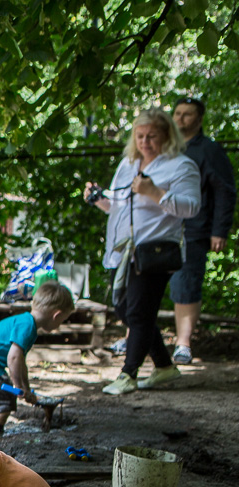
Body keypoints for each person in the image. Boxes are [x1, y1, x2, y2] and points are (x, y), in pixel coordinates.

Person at [86, 107, 200, 396]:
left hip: (154, 252)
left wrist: (155, 192)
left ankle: (128, 374)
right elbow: (118, 205)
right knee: (127, 311)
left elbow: (191, 207)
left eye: (152, 136)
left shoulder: (181, 166)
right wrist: (98, 199)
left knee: (138, 313)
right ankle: (163, 366)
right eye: (140, 136)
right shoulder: (127, 164)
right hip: (121, 253)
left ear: (167, 136)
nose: (145, 142)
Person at [0, 281, 76, 436]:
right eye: (62, 320)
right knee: (4, 404)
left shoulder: (25, 321)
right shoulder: (28, 326)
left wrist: (26, 388)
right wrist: (17, 385)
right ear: (57, 315)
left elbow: (20, 362)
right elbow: (13, 358)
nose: (60, 325)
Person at [170, 98, 236, 364]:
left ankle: (183, 344)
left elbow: (225, 191)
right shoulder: (164, 147)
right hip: (160, 228)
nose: (181, 119)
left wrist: (219, 230)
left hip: (194, 229)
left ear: (199, 119)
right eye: (177, 113)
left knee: (186, 284)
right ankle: (133, 338)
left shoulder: (209, 150)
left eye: (187, 115)